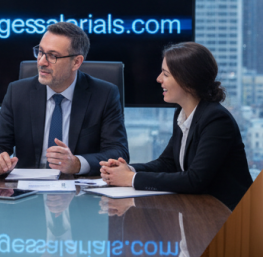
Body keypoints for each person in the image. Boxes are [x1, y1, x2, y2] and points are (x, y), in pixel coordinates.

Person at [99, 42, 252, 211]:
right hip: (197, 209)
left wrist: (131, 178)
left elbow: (195, 180)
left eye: (166, 74)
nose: (158, 79)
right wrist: (128, 169)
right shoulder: (182, 112)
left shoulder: (216, 119)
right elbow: (167, 163)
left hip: (225, 214)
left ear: (187, 79)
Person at [0, 21, 128, 177]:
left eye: (52, 56)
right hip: (28, 191)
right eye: (40, 52)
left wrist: (77, 163)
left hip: (81, 191)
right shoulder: (17, 92)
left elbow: (118, 152)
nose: (42, 62)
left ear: (76, 62)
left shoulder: (104, 94)